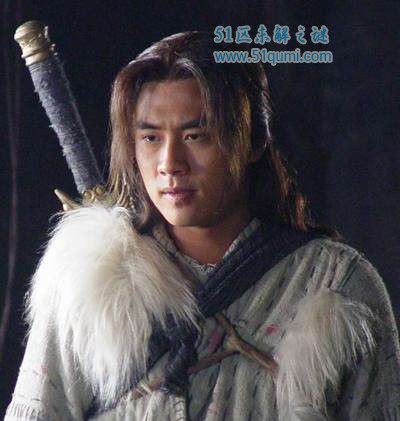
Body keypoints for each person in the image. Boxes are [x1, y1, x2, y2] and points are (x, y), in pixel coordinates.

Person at [6, 31, 400, 421]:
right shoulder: (88, 276)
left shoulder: (335, 284)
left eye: (196, 136)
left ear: (253, 142)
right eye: (151, 138)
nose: (170, 163)